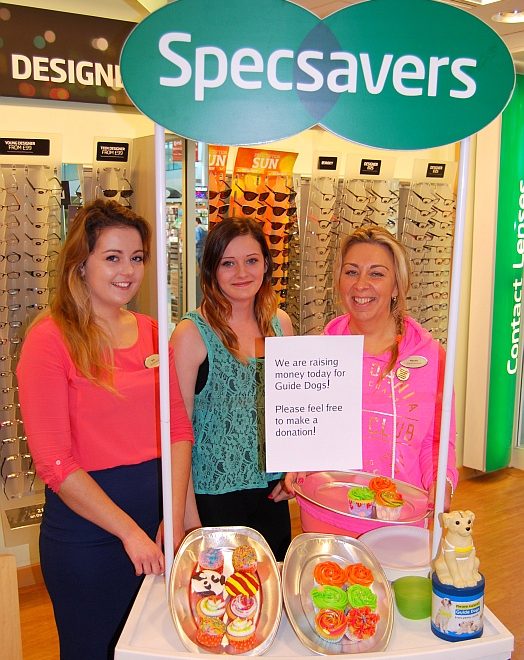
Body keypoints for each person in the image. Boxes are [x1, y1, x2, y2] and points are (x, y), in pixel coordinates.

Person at [16, 199, 194, 660]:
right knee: (96, 648)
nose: (128, 271)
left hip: (157, 520)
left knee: (158, 646)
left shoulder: (153, 331)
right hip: (89, 535)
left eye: (136, 258)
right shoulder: (49, 338)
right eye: (112, 257)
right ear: (81, 263)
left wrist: (170, 521)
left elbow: (177, 428)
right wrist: (129, 533)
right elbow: (56, 463)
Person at [285, 225, 458, 530]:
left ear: (396, 286)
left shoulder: (431, 358)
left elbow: (438, 441)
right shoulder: (318, 354)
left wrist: (442, 480)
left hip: (399, 518)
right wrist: (296, 461)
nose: (361, 284)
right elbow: (307, 433)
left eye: (376, 274)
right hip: (327, 513)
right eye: (351, 272)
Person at [170, 217, 294, 560]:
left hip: (272, 494)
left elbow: (296, 410)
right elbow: (178, 433)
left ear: (266, 265)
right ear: (211, 269)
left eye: (251, 260)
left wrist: (293, 471)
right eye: (228, 263)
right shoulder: (191, 335)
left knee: (270, 592)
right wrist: (186, 514)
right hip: (213, 499)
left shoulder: (281, 325)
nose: (242, 272)